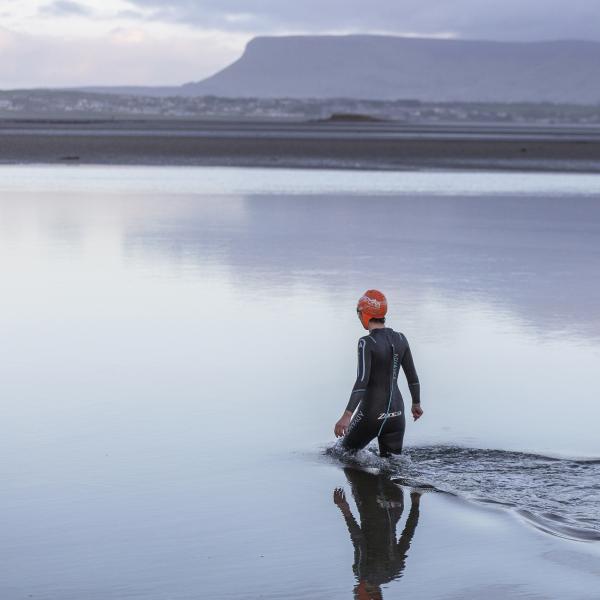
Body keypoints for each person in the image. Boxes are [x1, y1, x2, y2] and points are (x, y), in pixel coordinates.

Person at [334, 290, 422, 456]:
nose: (359, 317)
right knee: (392, 466)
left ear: (365, 314)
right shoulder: (401, 338)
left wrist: (347, 415)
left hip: (371, 413)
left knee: (340, 453)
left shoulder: (366, 342)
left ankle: (362, 480)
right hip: (397, 414)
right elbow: (412, 377)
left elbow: (362, 380)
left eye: (358, 313)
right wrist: (416, 404)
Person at [333, 467, 421, 600]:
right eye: (357, 595)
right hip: (373, 502)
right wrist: (344, 509)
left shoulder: (395, 571)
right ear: (365, 594)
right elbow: (359, 540)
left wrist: (415, 503)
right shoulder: (362, 572)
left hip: (396, 502)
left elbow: (408, 535)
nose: (355, 590)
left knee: (390, 466)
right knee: (350, 464)